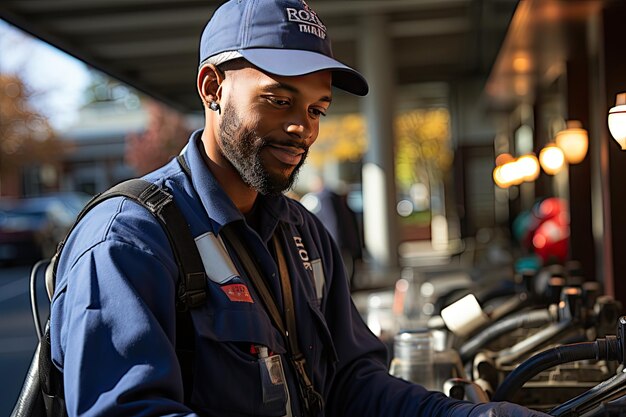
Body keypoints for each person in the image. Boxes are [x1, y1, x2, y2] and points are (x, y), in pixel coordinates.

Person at [50, 0, 550, 416]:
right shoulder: (128, 241)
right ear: (212, 89)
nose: (304, 130)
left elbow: (353, 383)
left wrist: (466, 415)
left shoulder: (303, 234)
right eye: (279, 100)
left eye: (316, 109)